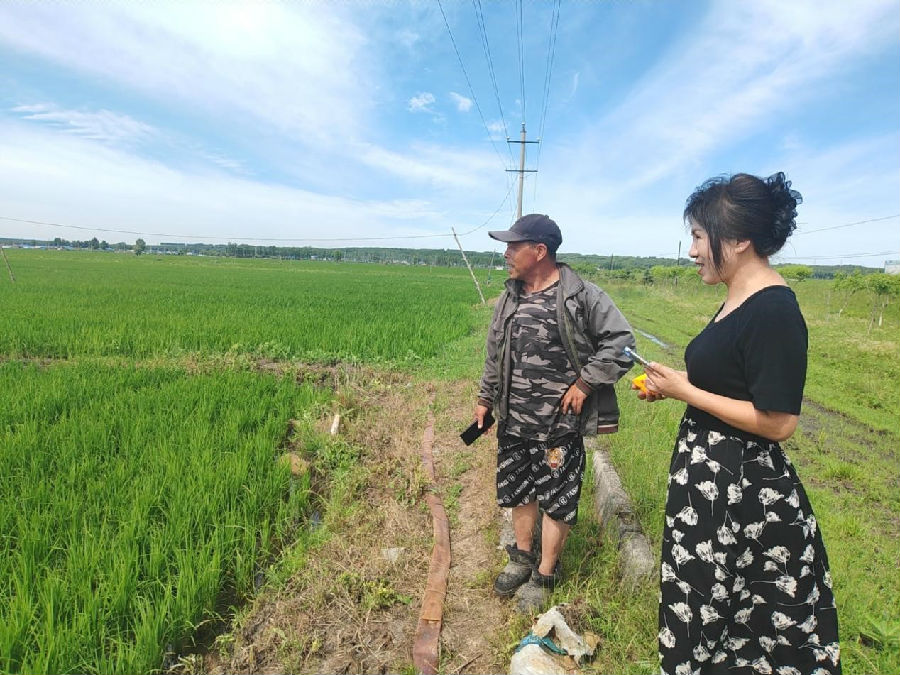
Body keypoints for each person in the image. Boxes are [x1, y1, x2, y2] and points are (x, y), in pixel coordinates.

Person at [636, 173, 840, 674]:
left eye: (700, 237)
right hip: (710, 485)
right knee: (706, 607)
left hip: (743, 494)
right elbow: (731, 385)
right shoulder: (737, 298)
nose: (691, 250)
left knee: (744, 622)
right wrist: (677, 385)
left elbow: (778, 422)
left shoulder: (773, 308)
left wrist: (688, 392)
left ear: (740, 239)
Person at [475, 213, 635, 612]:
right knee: (518, 490)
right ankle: (522, 558)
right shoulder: (510, 295)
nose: (507, 253)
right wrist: (484, 397)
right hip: (513, 419)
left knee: (557, 496)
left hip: (558, 424)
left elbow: (622, 342)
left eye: (514, 246)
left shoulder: (582, 296)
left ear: (540, 250)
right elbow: (495, 351)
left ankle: (546, 572)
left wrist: (585, 383)